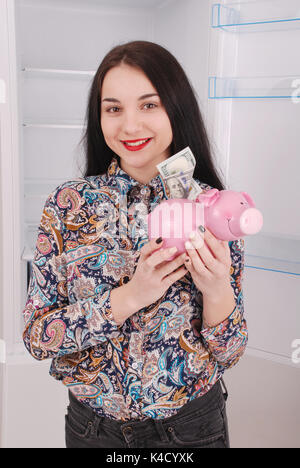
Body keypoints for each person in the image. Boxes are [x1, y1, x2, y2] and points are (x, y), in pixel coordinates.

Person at [22, 41, 248, 449]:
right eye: (113, 108)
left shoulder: (212, 207)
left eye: (148, 105)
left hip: (192, 429)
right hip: (93, 431)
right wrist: (130, 296)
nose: (130, 126)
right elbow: (38, 338)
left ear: (175, 108)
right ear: (100, 116)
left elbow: (229, 353)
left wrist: (217, 289)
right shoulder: (67, 206)